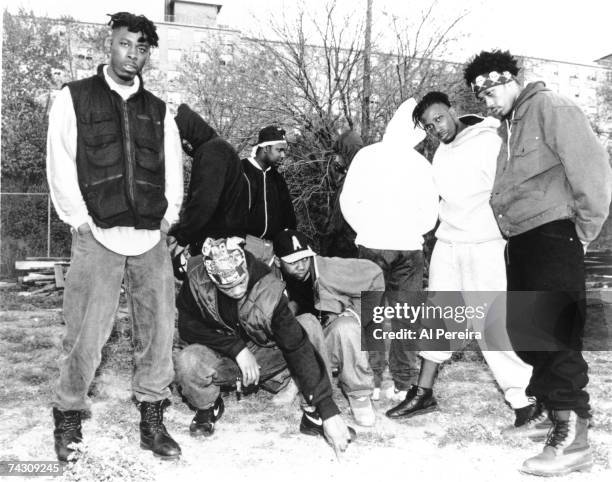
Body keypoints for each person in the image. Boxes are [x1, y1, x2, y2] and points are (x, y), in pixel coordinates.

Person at [464, 50, 612, 476]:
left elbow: (594, 174)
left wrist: (579, 235)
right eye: (481, 96)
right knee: (527, 332)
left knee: (556, 333)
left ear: (511, 79)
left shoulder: (551, 107)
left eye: (490, 91)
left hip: (553, 234)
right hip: (523, 239)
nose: (487, 102)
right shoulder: (508, 127)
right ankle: (551, 411)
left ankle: (573, 436)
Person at [46, 12, 183, 461]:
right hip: (97, 235)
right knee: (86, 333)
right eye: (126, 44)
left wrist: (169, 219)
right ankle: (68, 418)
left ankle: (152, 419)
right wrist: (80, 221)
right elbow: (60, 163)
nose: (133, 55)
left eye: (142, 48)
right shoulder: (75, 98)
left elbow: (173, 171)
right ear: (111, 43)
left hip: (149, 239)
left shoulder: (160, 110)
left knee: (159, 332)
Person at [386, 91, 534, 427]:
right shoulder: (441, 152)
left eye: (438, 118)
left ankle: (523, 399)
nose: (435, 127)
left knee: (491, 323)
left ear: (452, 111)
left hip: (484, 245)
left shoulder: (489, 140)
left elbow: (507, 192)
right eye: (428, 125)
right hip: (448, 243)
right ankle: (423, 393)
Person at [173, 237, 354, 455]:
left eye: (241, 282)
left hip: (264, 357)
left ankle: (313, 414)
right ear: (213, 280)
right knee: (187, 360)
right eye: (228, 286)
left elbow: (296, 346)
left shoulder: (268, 289)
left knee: (307, 324)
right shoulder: (196, 280)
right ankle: (208, 407)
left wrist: (328, 410)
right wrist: (236, 349)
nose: (237, 290)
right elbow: (186, 326)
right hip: (220, 356)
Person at [340, 98, 439, 401]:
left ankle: (372, 380)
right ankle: (403, 383)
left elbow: (348, 201)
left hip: (375, 246)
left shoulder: (366, 156)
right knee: (404, 315)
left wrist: (365, 230)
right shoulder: (420, 163)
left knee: (370, 315)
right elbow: (430, 213)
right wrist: (412, 232)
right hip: (407, 248)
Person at [273, 228, 384, 426]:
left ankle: (358, 394)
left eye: (304, 259)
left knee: (347, 327)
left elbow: (375, 275)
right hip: (289, 348)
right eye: (292, 261)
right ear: (277, 261)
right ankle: (296, 381)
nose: (300, 266)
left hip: (326, 342)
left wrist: (356, 313)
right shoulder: (268, 279)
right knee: (300, 321)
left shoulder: (328, 269)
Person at [168, 103, 248, 277]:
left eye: (181, 140)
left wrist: (182, 238)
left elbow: (204, 202)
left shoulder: (212, 151)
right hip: (225, 238)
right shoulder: (219, 148)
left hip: (218, 242)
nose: (183, 146)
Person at [241, 125, 296, 266]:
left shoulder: (278, 179)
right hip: (245, 245)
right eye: (279, 150)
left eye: (284, 150)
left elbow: (289, 217)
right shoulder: (241, 171)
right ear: (265, 148)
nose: (283, 155)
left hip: (272, 250)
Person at [320, 130, 363, 258]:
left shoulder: (352, 181)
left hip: (345, 249)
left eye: (339, 154)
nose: (336, 159)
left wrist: (326, 251)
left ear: (348, 154)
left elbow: (336, 223)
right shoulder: (361, 176)